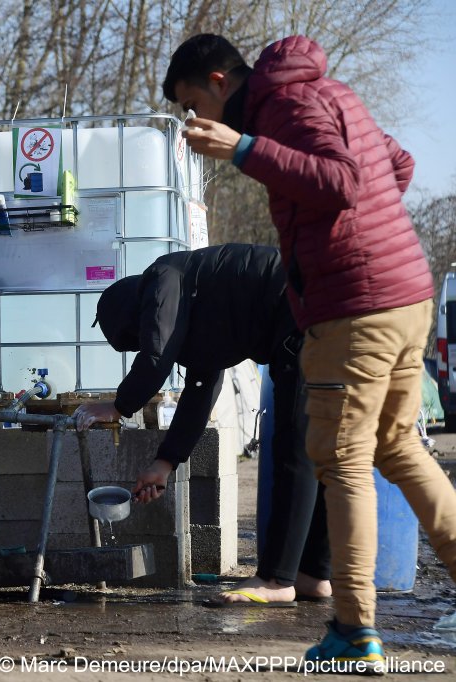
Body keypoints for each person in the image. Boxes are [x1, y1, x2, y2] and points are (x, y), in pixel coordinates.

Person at [162, 33, 456, 666]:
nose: (196, 124)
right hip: (406, 294)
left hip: (354, 308)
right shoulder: (329, 93)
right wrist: (363, 235)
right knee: (399, 448)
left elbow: (345, 180)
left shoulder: (279, 112)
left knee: (342, 462)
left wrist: (242, 149)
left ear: (219, 81)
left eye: (193, 106)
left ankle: (353, 629)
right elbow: (394, 167)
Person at [73, 244, 331, 606]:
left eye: (136, 335)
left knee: (294, 450)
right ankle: (311, 574)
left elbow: (156, 354)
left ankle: (276, 579)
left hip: (305, 313)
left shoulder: (162, 278)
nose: (140, 341)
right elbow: (200, 390)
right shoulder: (204, 308)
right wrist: (164, 463)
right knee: (315, 450)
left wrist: (118, 406)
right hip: (314, 312)